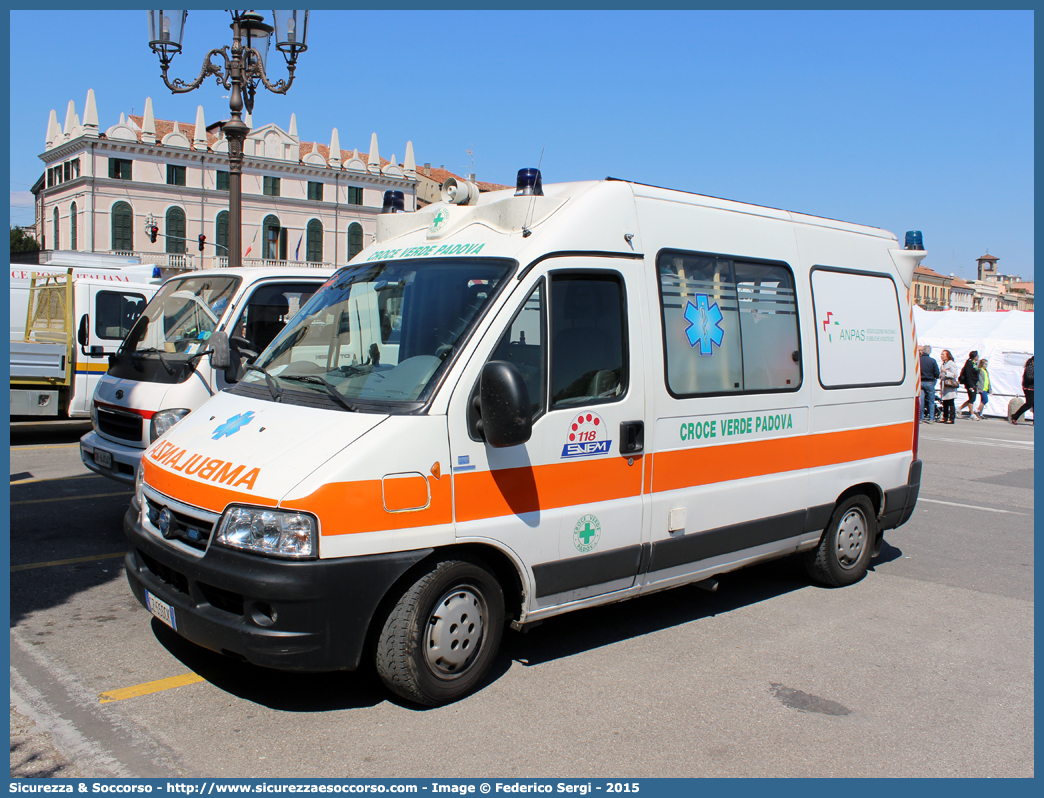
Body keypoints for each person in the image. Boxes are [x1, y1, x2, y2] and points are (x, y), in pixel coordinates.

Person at [919, 344, 940, 423]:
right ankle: (931, 418)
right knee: (931, 401)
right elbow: (937, 373)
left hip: (921, 381)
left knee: (921, 401)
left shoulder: (918, 360)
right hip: (930, 381)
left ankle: (920, 418)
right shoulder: (932, 361)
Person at [1011, 355, 1034, 425]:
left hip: (1034, 388)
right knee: (1029, 403)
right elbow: (1029, 378)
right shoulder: (1029, 368)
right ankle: (1015, 415)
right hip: (1028, 388)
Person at [939, 349, 959, 424]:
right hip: (944, 385)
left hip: (950, 385)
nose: (942, 356)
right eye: (941, 354)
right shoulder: (943, 364)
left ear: (948, 355)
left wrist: (946, 372)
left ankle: (951, 417)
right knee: (945, 402)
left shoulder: (951, 363)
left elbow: (955, 374)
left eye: (943, 354)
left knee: (950, 402)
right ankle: (945, 416)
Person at [958, 350, 980, 417]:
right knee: (972, 398)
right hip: (970, 384)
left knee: (972, 398)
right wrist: (970, 385)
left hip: (974, 383)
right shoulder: (969, 363)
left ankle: (959, 409)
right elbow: (968, 375)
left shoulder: (974, 363)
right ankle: (971, 413)